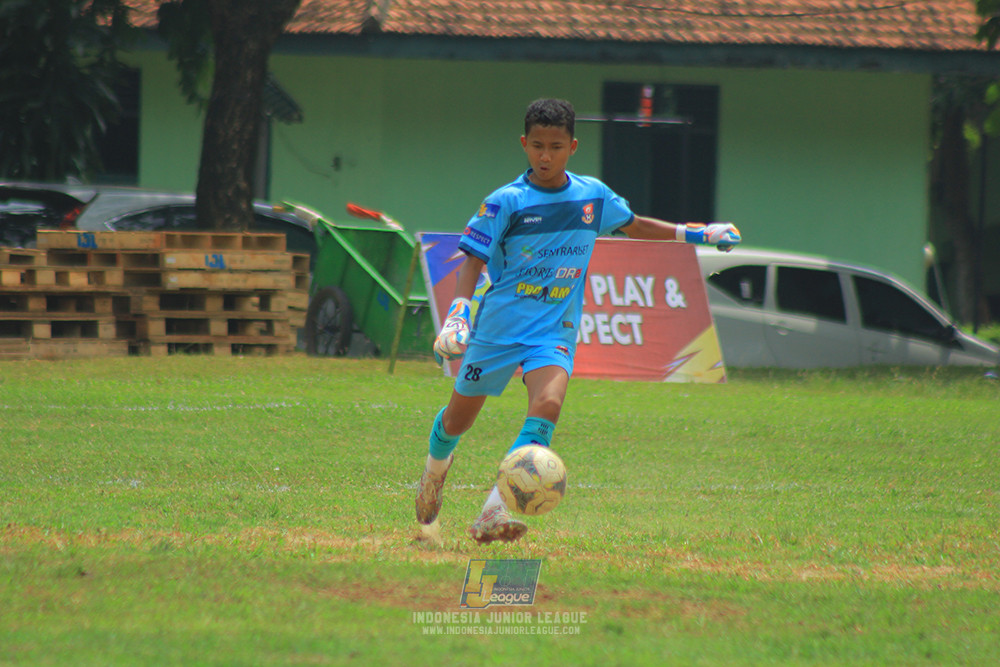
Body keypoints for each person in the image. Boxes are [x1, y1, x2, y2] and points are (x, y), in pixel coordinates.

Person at [415, 98, 741, 544]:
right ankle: (433, 475)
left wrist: (696, 232)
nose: (545, 156)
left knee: (548, 404)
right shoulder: (506, 201)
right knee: (457, 421)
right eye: (537, 146)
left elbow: (635, 225)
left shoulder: (593, 196)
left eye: (555, 147)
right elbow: (472, 258)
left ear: (572, 146)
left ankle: (493, 510)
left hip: (553, 330)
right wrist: (458, 314)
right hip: (499, 328)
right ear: (524, 144)